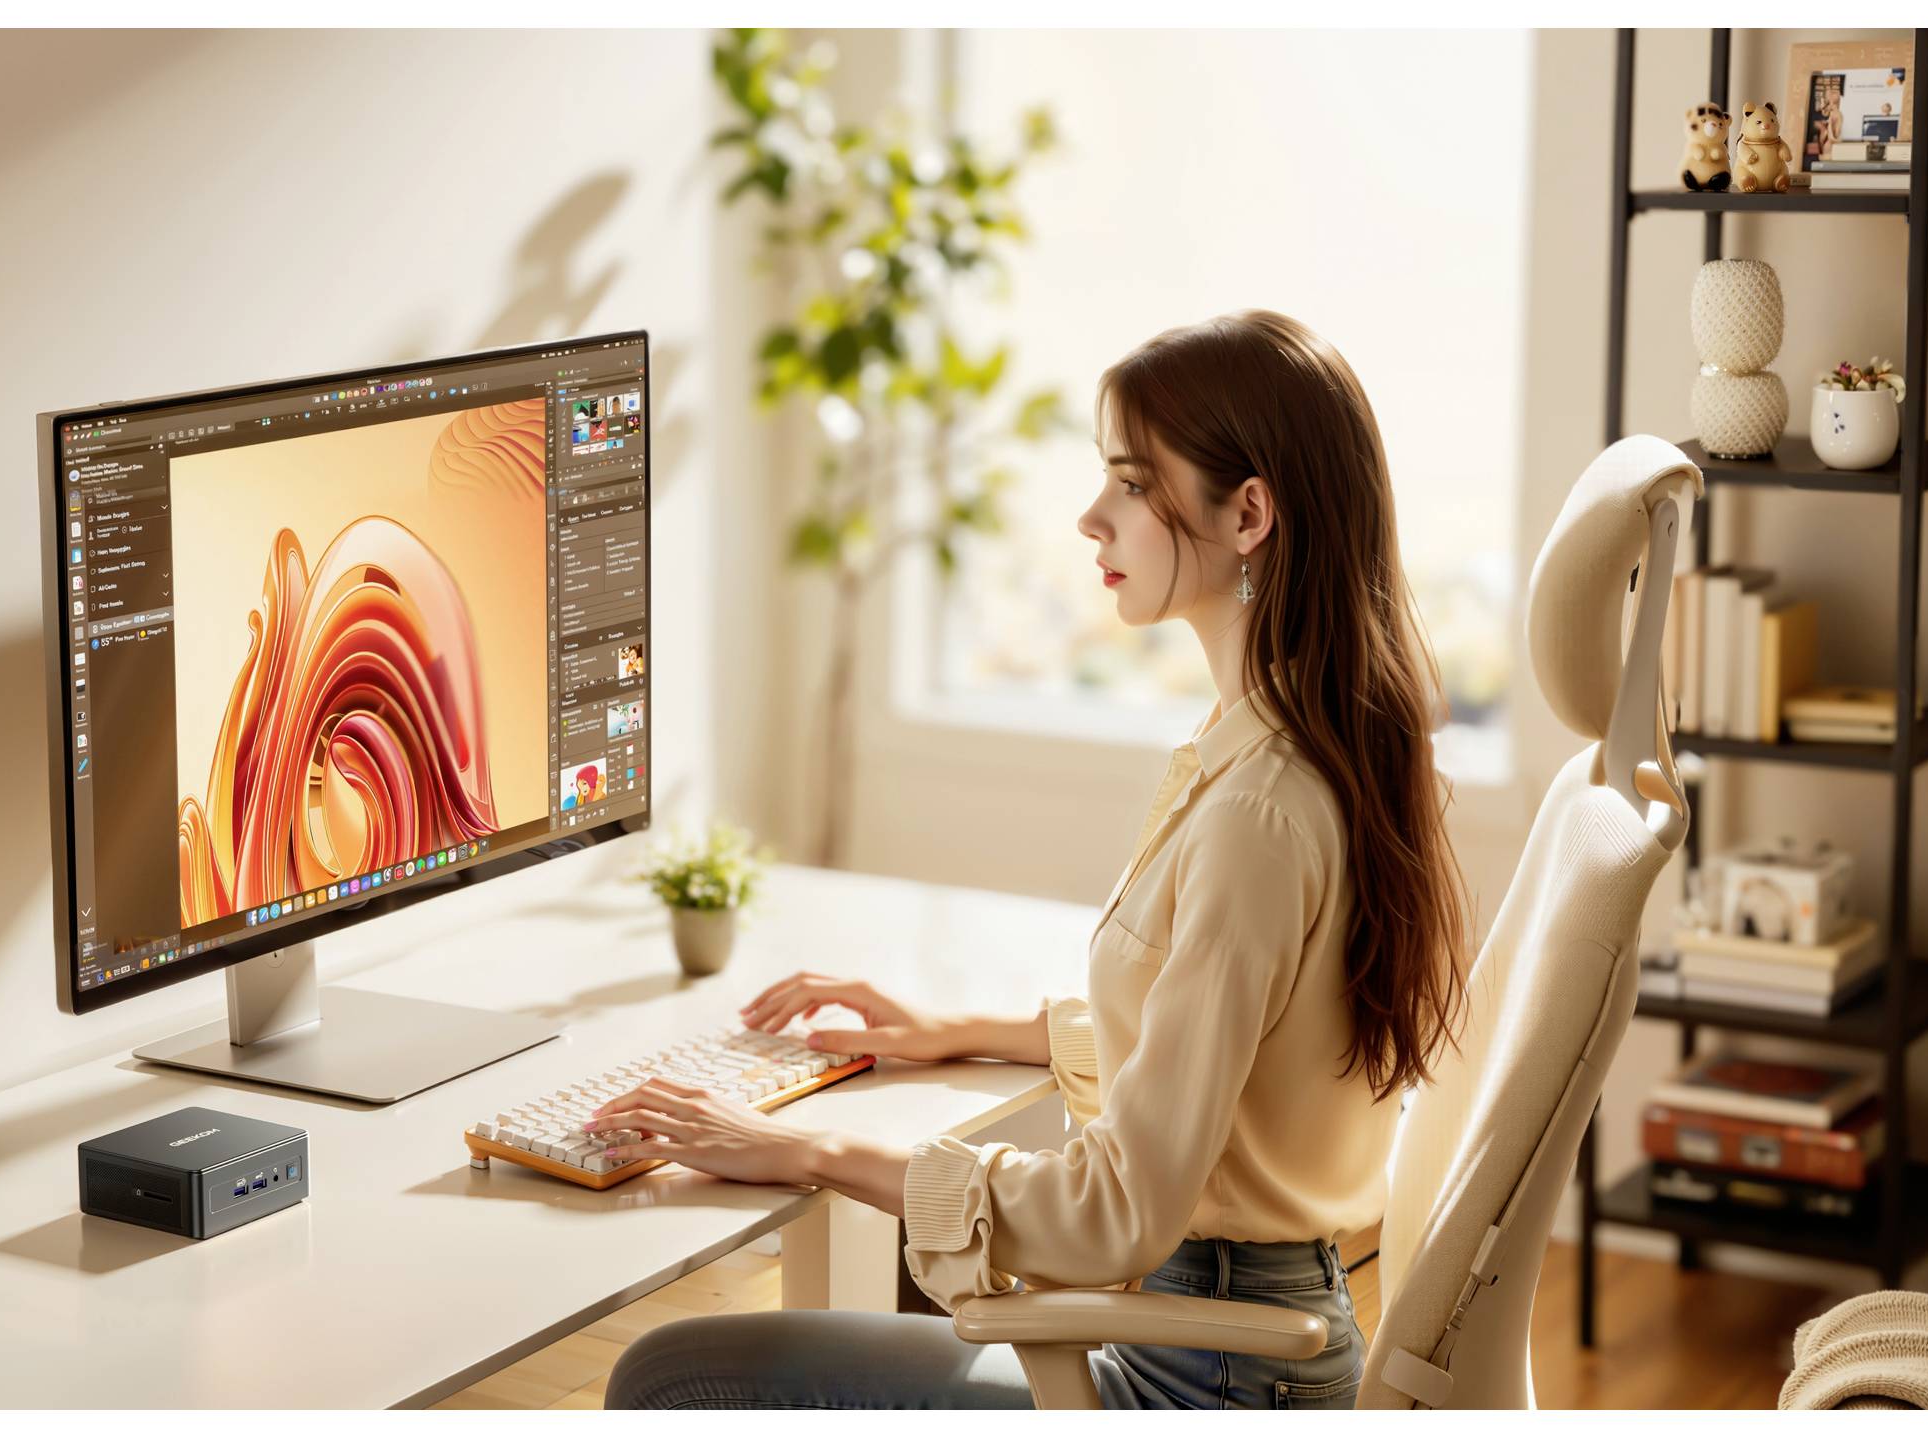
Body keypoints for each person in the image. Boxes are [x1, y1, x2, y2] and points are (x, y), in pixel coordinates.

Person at [595, 310, 1473, 1410]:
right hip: (1247, 1338)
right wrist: (959, 1032)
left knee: (674, 1374)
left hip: (1199, 1375)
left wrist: (804, 1148)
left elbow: (1118, 1211)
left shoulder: (1258, 810)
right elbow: (1234, 1050)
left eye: (1130, 483)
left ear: (1247, 512)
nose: (1089, 516)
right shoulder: (1310, 751)